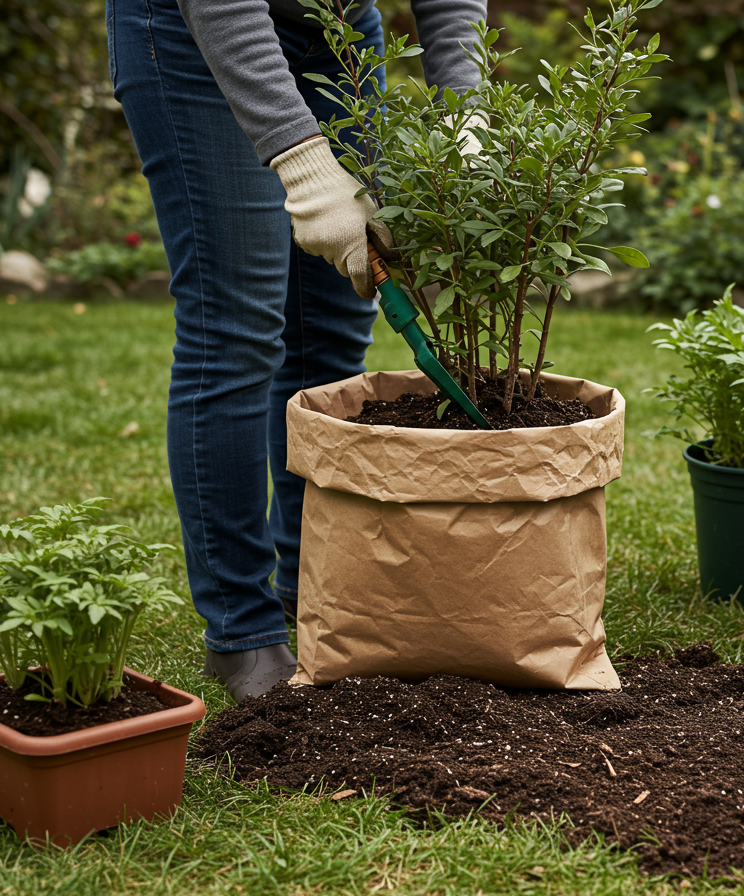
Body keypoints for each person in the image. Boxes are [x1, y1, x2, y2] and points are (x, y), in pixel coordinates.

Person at [108, 0, 487, 702]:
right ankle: (241, 629)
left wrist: (465, 115)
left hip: (336, 31)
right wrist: (305, 164)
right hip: (197, 29)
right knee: (236, 325)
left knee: (337, 317)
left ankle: (309, 594)